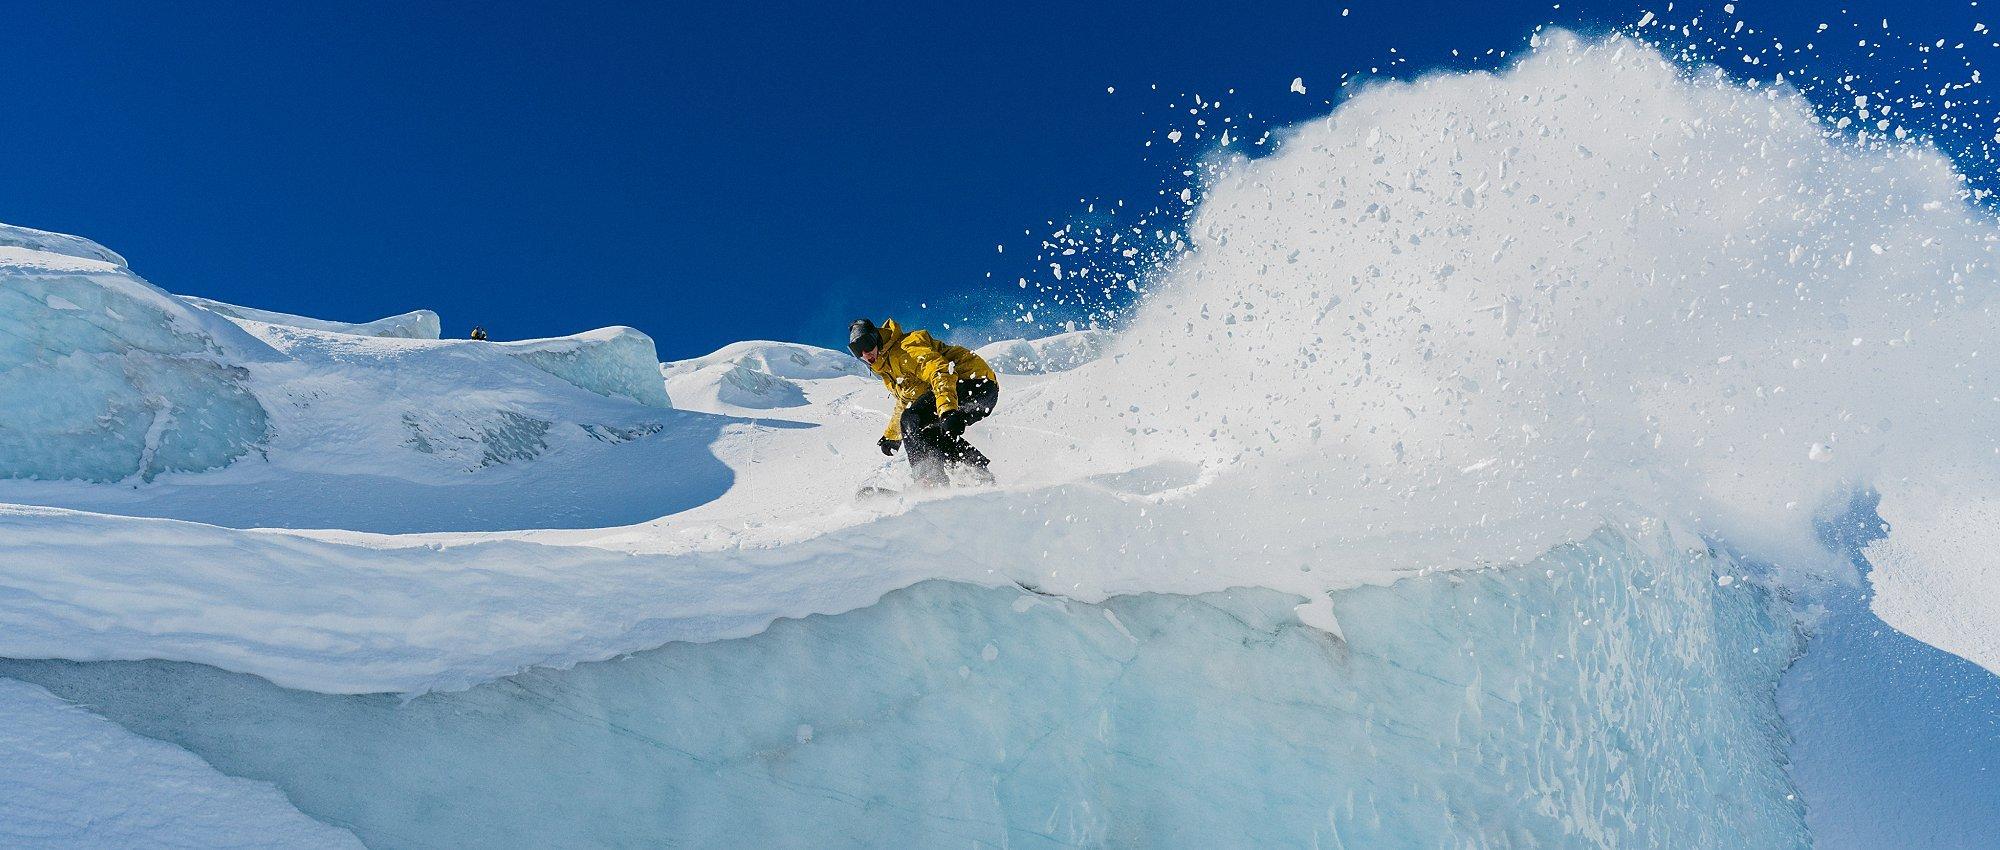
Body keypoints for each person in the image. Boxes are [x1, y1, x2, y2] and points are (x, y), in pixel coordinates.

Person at [848, 317, 999, 487]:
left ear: (876, 337)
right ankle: (977, 472)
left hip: (974, 381)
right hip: (974, 392)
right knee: (927, 433)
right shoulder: (888, 368)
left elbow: (940, 371)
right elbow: (907, 400)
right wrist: (892, 436)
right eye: (856, 349)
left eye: (867, 344)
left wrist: (947, 410)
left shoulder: (905, 348)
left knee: (912, 419)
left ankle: (929, 481)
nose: (865, 353)